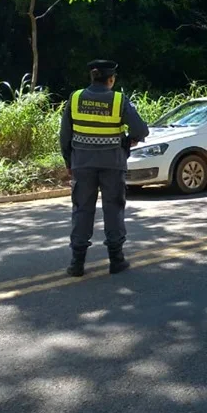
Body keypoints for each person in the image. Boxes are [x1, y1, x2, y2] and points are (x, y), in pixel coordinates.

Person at [60, 59, 149, 277]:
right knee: (113, 208)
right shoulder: (119, 100)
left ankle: (76, 264)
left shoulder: (75, 98)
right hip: (112, 164)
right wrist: (129, 141)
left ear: (92, 77)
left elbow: (65, 136)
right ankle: (116, 260)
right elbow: (141, 130)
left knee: (82, 210)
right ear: (111, 79)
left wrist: (69, 163)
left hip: (82, 164)